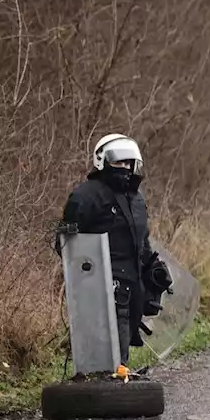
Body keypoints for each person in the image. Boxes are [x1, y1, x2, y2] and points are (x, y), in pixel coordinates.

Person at [63, 134, 168, 367]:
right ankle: (108, 386)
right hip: (100, 287)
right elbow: (67, 245)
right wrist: (86, 277)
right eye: (119, 162)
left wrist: (153, 269)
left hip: (134, 286)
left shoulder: (137, 199)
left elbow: (142, 241)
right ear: (103, 161)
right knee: (108, 348)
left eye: (129, 163)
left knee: (124, 343)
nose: (125, 168)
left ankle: (118, 379)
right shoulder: (86, 195)